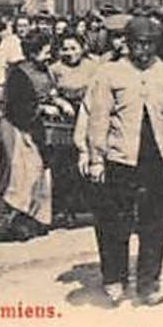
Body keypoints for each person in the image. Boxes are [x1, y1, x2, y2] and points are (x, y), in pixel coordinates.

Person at [84, 15, 163, 306]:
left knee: (155, 223)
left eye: (149, 45)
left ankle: (149, 284)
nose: (143, 51)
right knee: (114, 221)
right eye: (137, 44)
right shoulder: (109, 74)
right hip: (120, 158)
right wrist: (97, 158)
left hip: (158, 159)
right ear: (126, 44)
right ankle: (114, 278)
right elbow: (98, 119)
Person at [0, 33, 59, 242]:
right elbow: (17, 106)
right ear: (33, 53)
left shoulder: (44, 70)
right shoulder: (19, 73)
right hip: (16, 130)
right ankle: (15, 222)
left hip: (33, 130)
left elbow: (48, 92)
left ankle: (32, 219)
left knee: (37, 176)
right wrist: (42, 108)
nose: (49, 55)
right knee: (20, 176)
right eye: (46, 51)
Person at [47, 33, 97, 226]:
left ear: (82, 48)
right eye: (65, 49)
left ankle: (87, 209)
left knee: (85, 161)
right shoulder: (55, 68)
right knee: (63, 165)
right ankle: (64, 211)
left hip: (88, 117)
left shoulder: (93, 66)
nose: (69, 53)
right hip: (64, 120)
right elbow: (51, 92)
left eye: (73, 48)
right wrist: (61, 102)